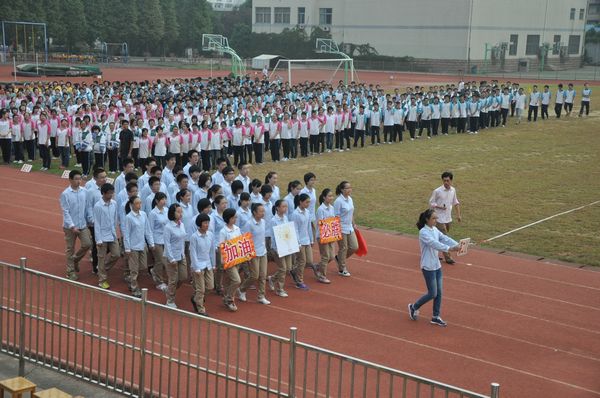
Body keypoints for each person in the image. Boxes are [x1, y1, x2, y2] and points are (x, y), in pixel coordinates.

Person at [408, 209, 460, 327]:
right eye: (434, 218)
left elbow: (444, 238)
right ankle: (414, 306)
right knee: (432, 293)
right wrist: (450, 249)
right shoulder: (423, 232)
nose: (436, 220)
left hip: (437, 265)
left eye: (436, 218)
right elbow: (434, 244)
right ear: (427, 219)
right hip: (428, 266)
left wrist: (457, 245)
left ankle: (435, 316)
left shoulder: (435, 229)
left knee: (439, 292)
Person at [60, 170, 92, 281]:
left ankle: (75, 260)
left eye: (80, 179)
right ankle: (70, 271)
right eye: (76, 179)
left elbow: (87, 207)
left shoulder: (84, 191)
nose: (79, 181)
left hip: (82, 224)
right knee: (70, 248)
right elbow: (65, 211)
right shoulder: (65, 194)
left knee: (87, 244)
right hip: (70, 227)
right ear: (70, 180)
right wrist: (72, 226)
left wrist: (90, 219)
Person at [123, 195, 155, 298]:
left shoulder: (144, 215)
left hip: (142, 245)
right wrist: (127, 248)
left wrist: (151, 243)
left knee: (143, 267)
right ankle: (134, 288)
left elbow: (147, 230)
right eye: (137, 203)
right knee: (134, 269)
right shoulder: (128, 217)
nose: (139, 205)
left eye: (140, 203)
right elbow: (126, 234)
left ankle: (130, 279)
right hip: (133, 247)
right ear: (131, 205)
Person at [239, 203, 270, 305]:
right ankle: (242, 289)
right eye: (261, 211)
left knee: (263, 275)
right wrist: (247, 255)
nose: (263, 213)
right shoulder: (249, 224)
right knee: (254, 276)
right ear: (254, 212)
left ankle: (261, 296)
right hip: (253, 253)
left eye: (263, 211)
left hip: (263, 252)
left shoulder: (263, 222)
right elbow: (245, 239)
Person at [429, 171, 461, 265]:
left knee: (439, 237)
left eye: (447, 180)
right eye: (444, 181)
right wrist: (439, 207)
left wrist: (459, 215)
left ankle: (432, 252)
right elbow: (431, 203)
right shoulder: (437, 191)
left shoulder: (453, 190)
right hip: (438, 218)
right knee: (444, 237)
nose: (446, 182)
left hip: (448, 218)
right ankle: (448, 257)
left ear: (451, 180)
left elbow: (456, 202)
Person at [93, 183, 120, 289]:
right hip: (102, 236)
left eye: (112, 193)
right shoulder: (98, 206)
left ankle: (102, 269)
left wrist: (115, 232)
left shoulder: (114, 203)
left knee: (116, 254)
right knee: (101, 257)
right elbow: (97, 223)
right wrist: (98, 239)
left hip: (112, 234)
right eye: (109, 193)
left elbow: (114, 218)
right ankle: (102, 280)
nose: (111, 195)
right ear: (103, 193)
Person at [189, 213, 215, 316]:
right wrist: (196, 268)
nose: (207, 225)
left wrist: (213, 265)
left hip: (208, 263)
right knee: (201, 289)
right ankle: (200, 309)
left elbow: (212, 251)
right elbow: (193, 253)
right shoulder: (194, 237)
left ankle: (196, 298)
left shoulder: (210, 235)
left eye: (208, 222)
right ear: (200, 224)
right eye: (205, 223)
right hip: (198, 265)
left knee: (210, 286)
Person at [163, 203, 188, 308]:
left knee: (183, 277)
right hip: (171, 256)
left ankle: (168, 290)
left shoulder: (181, 224)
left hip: (181, 255)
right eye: (178, 212)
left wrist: (183, 254)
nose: (180, 214)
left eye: (181, 211)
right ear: (172, 213)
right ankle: (170, 300)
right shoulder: (168, 227)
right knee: (173, 280)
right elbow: (167, 243)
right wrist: (171, 258)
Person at [267, 200, 293, 298]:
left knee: (288, 268)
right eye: (283, 206)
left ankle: (272, 279)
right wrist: (277, 248)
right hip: (278, 248)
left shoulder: (285, 218)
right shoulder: (274, 220)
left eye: (286, 206)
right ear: (277, 208)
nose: (285, 208)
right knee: (282, 268)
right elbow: (273, 236)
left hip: (287, 247)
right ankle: (280, 289)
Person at [219, 208, 242, 311]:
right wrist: (222, 259)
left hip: (237, 258)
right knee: (237, 280)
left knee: (230, 280)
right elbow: (221, 246)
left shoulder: (237, 228)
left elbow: (241, 242)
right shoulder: (223, 231)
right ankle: (229, 299)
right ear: (228, 218)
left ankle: (226, 298)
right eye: (234, 217)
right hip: (228, 259)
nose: (235, 219)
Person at [290, 193, 313, 290]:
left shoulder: (307, 212)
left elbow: (308, 227)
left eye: (309, 202)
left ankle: (294, 270)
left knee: (309, 261)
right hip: (299, 241)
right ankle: (299, 281)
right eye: (306, 202)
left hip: (307, 240)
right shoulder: (295, 214)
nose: (308, 204)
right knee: (302, 261)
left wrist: (311, 239)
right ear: (300, 202)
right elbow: (294, 229)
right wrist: (298, 242)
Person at [334, 181, 357, 277]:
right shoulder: (338, 201)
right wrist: (337, 230)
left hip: (349, 227)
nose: (349, 189)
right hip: (341, 228)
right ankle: (342, 268)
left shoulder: (350, 199)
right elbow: (336, 216)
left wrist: (354, 224)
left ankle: (339, 258)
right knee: (343, 248)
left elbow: (351, 212)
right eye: (347, 188)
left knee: (354, 247)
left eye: (350, 187)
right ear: (342, 189)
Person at [148, 192, 169, 292]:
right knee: (160, 260)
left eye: (165, 199)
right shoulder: (153, 213)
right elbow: (150, 229)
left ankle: (154, 270)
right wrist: (151, 243)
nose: (164, 201)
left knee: (165, 261)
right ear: (157, 201)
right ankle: (159, 282)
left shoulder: (167, 210)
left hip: (166, 239)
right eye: (162, 199)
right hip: (157, 240)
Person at [314, 188, 335, 283]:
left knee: (331, 256)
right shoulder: (321, 209)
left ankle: (318, 267)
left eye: (332, 196)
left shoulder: (332, 208)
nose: (331, 198)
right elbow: (321, 223)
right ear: (324, 197)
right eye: (329, 196)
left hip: (330, 235)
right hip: (322, 236)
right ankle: (322, 276)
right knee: (325, 256)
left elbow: (333, 221)